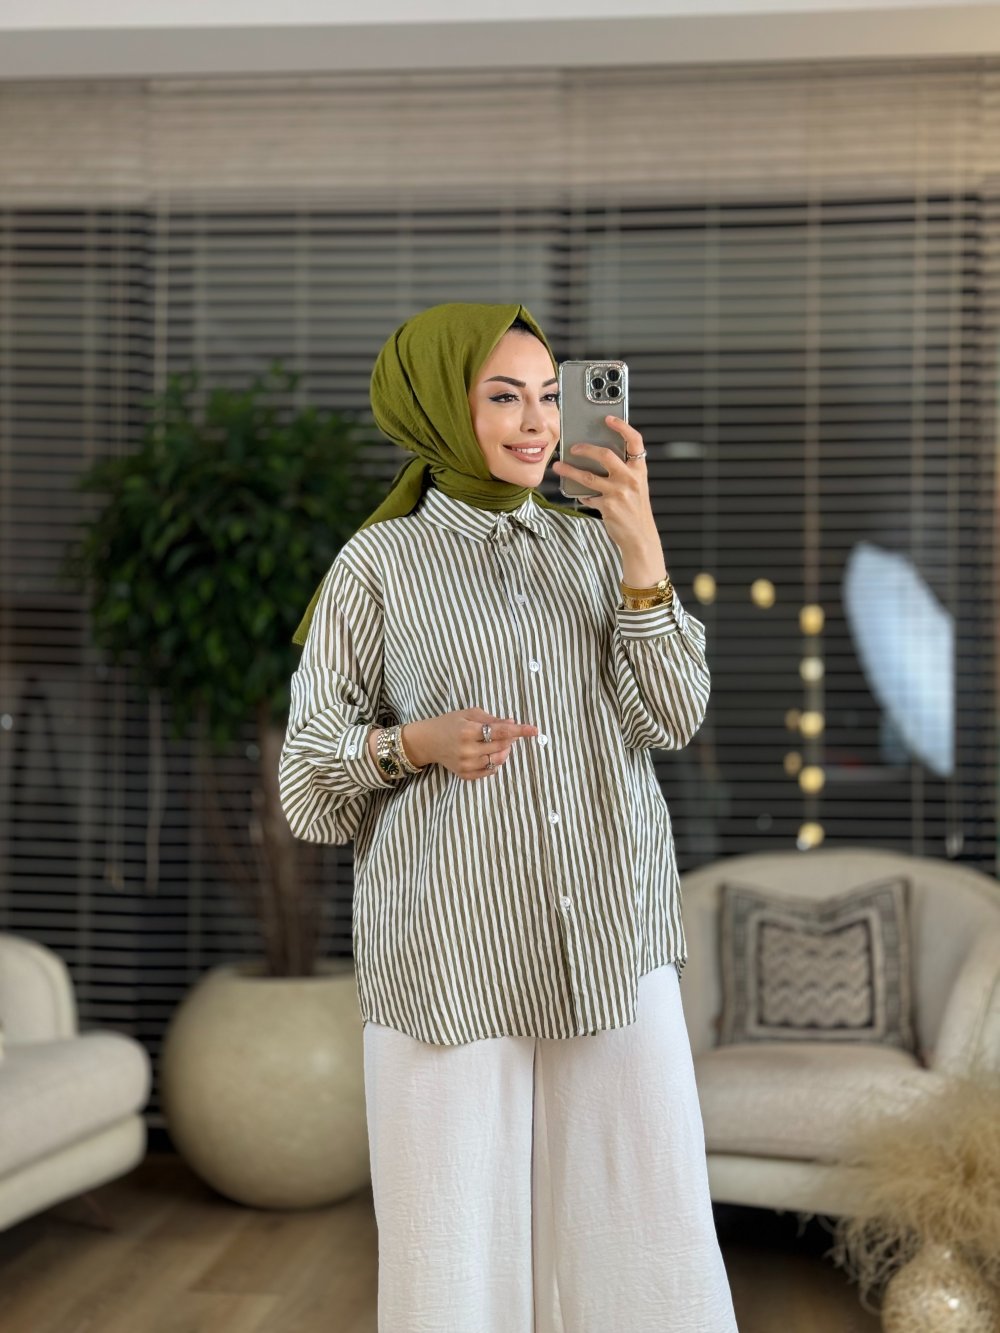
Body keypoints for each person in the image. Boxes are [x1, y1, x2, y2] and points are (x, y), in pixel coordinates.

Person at [278, 302, 739, 1333]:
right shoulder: (377, 566)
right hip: (450, 949)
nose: (536, 423)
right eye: (502, 397)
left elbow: (672, 718)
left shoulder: (596, 548)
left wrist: (641, 551)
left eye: (546, 395)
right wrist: (413, 744)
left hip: (610, 936)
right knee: (453, 1249)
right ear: (440, 407)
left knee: (644, 1234)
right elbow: (306, 784)